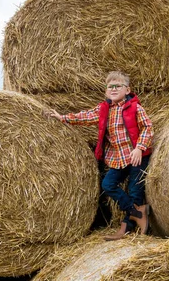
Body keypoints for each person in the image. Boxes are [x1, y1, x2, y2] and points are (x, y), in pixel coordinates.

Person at [47, 71, 153, 240]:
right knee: (108, 184)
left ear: (127, 90)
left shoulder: (135, 108)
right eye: (110, 86)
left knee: (134, 191)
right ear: (106, 91)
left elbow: (147, 127)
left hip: (135, 157)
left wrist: (139, 148)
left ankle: (126, 228)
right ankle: (137, 211)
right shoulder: (103, 109)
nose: (113, 88)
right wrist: (63, 118)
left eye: (118, 86)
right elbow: (85, 117)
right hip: (118, 158)